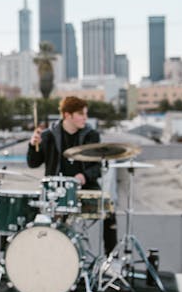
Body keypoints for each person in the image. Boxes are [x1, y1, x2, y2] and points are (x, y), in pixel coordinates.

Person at [27, 94, 117, 252]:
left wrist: (84, 176)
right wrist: (32, 145)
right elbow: (33, 163)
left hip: (86, 189)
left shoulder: (91, 135)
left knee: (108, 210)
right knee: (27, 210)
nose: (85, 118)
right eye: (81, 114)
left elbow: (98, 166)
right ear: (67, 115)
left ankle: (111, 260)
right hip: (56, 191)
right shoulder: (48, 135)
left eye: (86, 114)